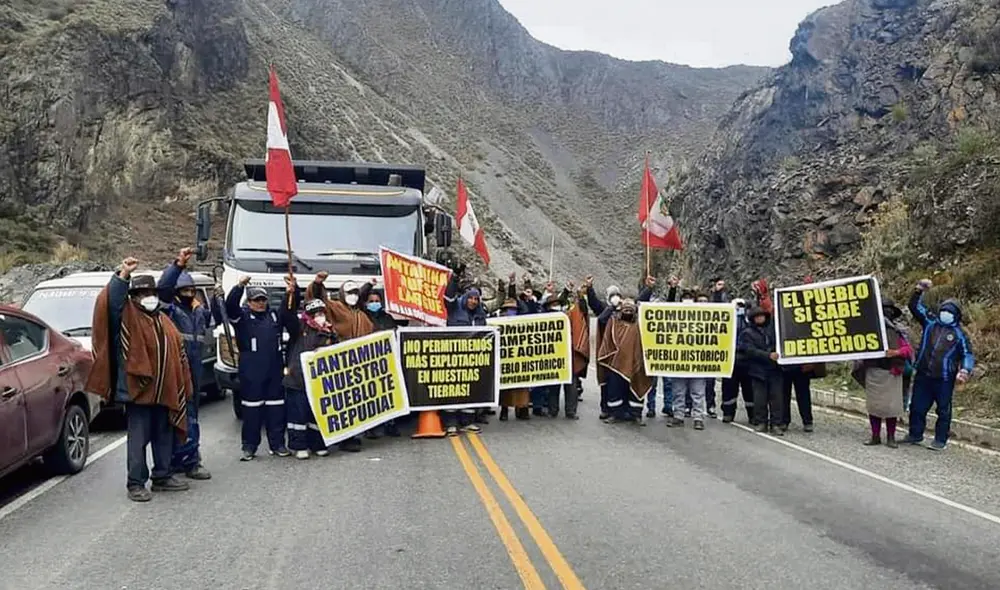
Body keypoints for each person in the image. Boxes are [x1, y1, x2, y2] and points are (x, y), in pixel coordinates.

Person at [86, 257, 194, 502]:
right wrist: (123, 274)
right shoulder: (125, 315)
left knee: (164, 435)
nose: (148, 296)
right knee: (138, 441)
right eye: (142, 293)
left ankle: (162, 476)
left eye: (150, 292)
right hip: (138, 392)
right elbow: (112, 300)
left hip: (164, 390)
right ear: (133, 296)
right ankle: (135, 483)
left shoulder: (162, 320)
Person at [155, 247, 214, 481]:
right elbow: (163, 290)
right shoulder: (169, 310)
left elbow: (214, 321)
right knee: (176, 417)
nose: (189, 293)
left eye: (192, 290)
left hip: (195, 371)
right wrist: (178, 265)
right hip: (175, 371)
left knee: (192, 418)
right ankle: (175, 461)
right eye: (185, 290)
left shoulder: (198, 313)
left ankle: (190, 460)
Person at [226, 277, 294, 460]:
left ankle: (278, 444)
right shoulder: (242, 317)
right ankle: (249, 447)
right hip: (252, 372)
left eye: (263, 299)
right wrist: (238, 286)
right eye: (256, 300)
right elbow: (230, 306)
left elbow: (288, 309)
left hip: (274, 370)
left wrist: (291, 292)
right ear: (249, 302)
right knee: (252, 411)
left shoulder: (274, 315)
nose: (260, 303)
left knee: (277, 409)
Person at [903, 279, 975, 450]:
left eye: (949, 312)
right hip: (923, 375)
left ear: (956, 315)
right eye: (943, 310)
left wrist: (965, 370)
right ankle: (915, 434)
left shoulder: (959, 335)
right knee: (917, 407)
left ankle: (940, 440)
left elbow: (967, 354)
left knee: (943, 411)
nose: (945, 314)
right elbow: (914, 307)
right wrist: (919, 290)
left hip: (944, 379)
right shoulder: (930, 323)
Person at [306, 274, 374, 452]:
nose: (353, 295)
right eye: (349, 292)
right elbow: (318, 300)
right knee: (340, 401)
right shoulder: (335, 307)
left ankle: (353, 435)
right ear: (342, 294)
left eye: (355, 292)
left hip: (359, 364)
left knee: (356, 401)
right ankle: (342, 437)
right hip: (339, 363)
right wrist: (318, 283)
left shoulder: (363, 316)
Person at [284, 290, 335, 459]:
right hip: (297, 380)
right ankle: (298, 446)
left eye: (321, 313)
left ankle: (318, 444)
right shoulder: (299, 329)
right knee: (298, 414)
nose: (319, 317)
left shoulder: (329, 332)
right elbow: (287, 315)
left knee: (317, 415)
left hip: (318, 382)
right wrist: (289, 295)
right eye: (315, 314)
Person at [855, 299, 912, 448]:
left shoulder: (898, 331)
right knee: (874, 407)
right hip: (874, 371)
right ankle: (875, 436)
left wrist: (896, 352)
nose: (887, 313)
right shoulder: (869, 330)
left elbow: (908, 350)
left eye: (889, 310)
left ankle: (891, 437)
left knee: (891, 408)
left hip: (892, 373)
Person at [598, 276, 655, 423]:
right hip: (616, 363)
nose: (628, 310)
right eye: (625, 307)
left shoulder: (640, 324)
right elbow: (601, 320)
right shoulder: (613, 321)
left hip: (636, 362)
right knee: (615, 389)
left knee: (636, 387)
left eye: (631, 308)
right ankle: (615, 414)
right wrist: (612, 306)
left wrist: (648, 289)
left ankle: (635, 414)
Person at [358, 279, 402, 437]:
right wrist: (369, 284)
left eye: (377, 301)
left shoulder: (387, 317)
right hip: (368, 361)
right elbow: (359, 297)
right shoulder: (362, 316)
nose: (374, 303)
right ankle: (370, 427)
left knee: (388, 393)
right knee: (370, 395)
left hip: (387, 361)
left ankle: (390, 424)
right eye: (371, 301)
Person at [444, 275, 486, 436]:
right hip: (454, 357)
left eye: (476, 299)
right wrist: (454, 280)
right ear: (465, 298)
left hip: (473, 358)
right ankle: (451, 423)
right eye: (471, 298)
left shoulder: (480, 315)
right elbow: (447, 297)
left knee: (471, 390)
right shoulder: (454, 309)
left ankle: (468, 421)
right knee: (453, 391)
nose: (473, 301)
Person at [667, 290, 709, 429]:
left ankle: (698, 418)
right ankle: (678, 416)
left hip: (698, 362)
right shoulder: (674, 317)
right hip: (679, 362)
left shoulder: (705, 318)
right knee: (678, 392)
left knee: (698, 393)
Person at [740, 305, 784, 435]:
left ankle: (776, 424)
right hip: (757, 370)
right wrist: (767, 355)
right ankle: (761, 422)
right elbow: (748, 350)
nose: (760, 318)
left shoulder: (774, 330)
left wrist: (775, 354)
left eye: (762, 316)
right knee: (760, 398)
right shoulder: (747, 333)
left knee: (777, 398)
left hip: (775, 370)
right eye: (757, 316)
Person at [586, 283, 623, 420]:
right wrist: (590, 288)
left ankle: (619, 410)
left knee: (619, 382)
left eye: (617, 295)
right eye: (612, 295)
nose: (615, 298)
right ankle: (605, 408)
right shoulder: (604, 309)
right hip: (606, 353)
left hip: (620, 353)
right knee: (605, 381)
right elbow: (595, 305)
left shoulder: (624, 309)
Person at [721, 298, 755, 424]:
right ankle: (728, 413)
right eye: (738, 306)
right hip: (730, 360)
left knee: (750, 390)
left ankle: (753, 414)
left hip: (747, 360)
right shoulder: (727, 320)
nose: (739, 308)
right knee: (729, 389)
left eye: (742, 306)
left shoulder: (750, 320)